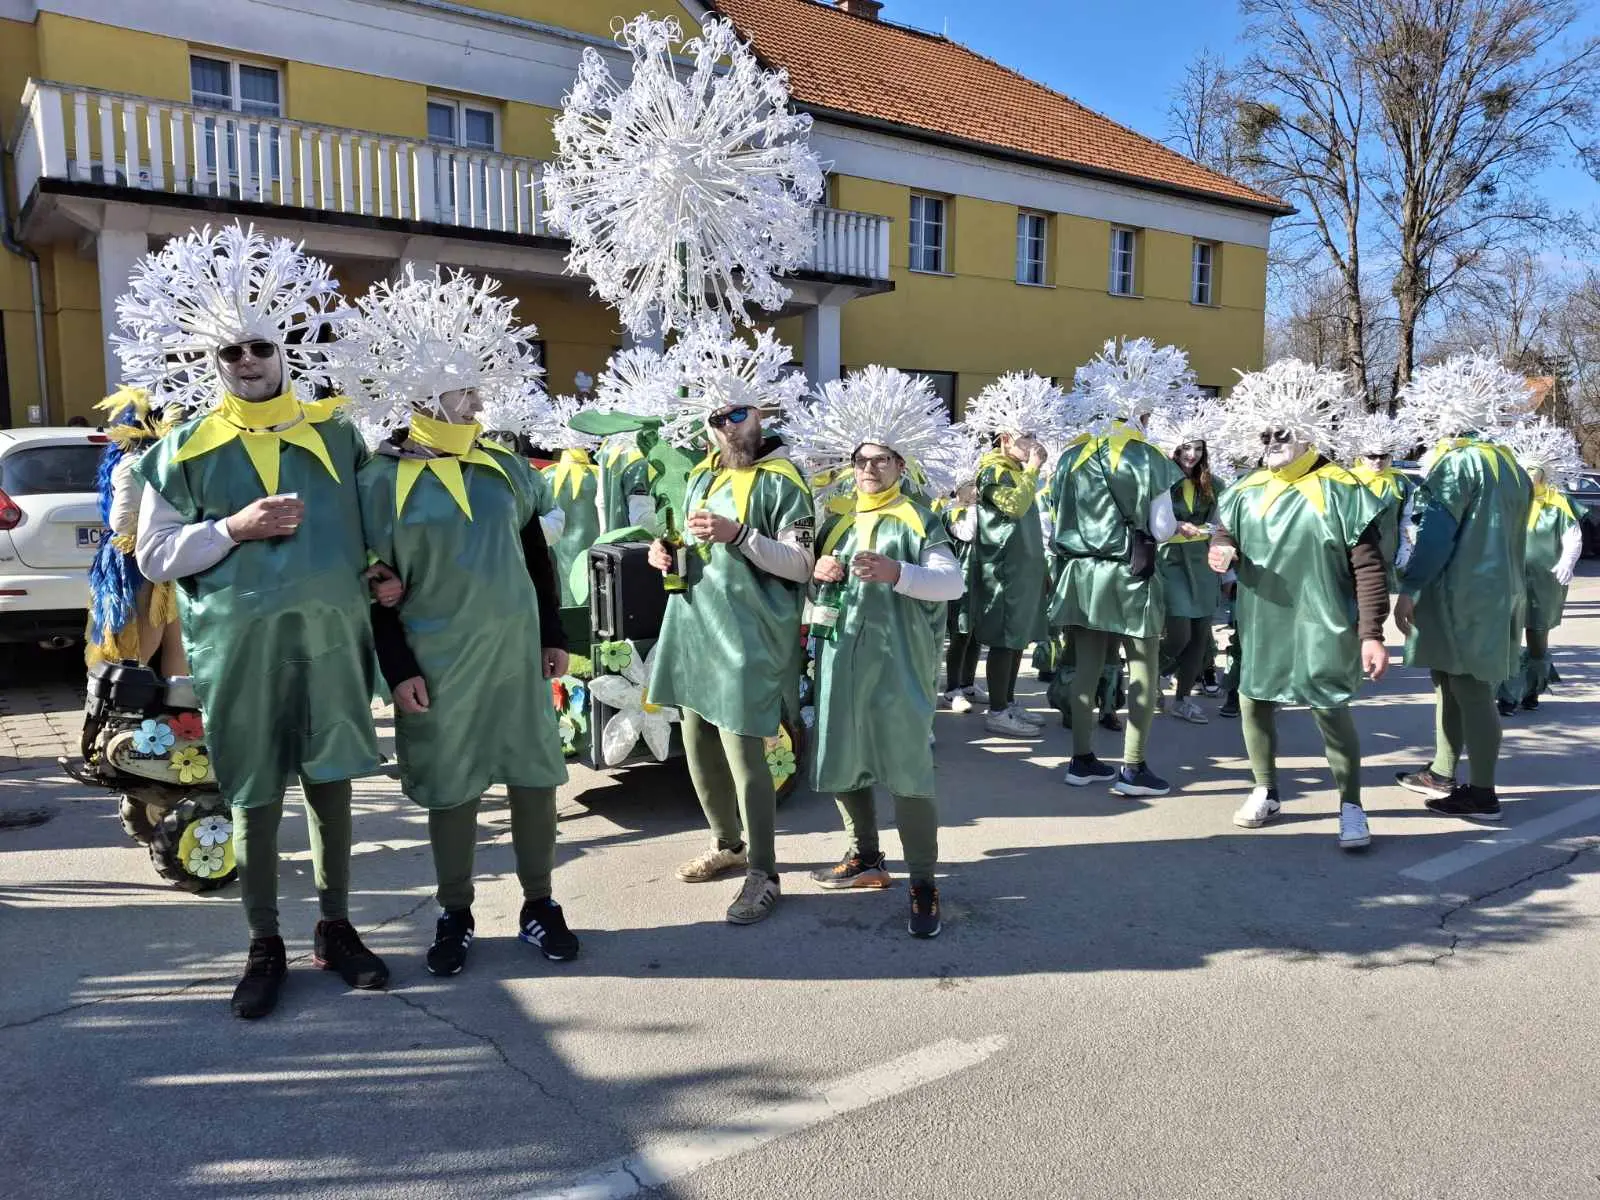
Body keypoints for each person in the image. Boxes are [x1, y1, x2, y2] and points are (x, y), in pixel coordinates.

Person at [122, 224, 394, 1019]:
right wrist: (232, 529)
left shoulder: (339, 435)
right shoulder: (182, 450)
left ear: (285, 353)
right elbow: (154, 557)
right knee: (253, 791)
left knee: (333, 781)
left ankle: (336, 926)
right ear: (214, 363)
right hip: (239, 650)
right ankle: (263, 938)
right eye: (230, 352)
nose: (246, 361)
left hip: (330, 642)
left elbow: (371, 523)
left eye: (259, 347)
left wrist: (378, 570)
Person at [334, 267, 580, 977]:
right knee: (452, 784)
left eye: (478, 390)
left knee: (534, 776)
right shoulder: (378, 482)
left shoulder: (504, 467)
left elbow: (535, 550)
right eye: (461, 392)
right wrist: (399, 667)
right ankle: (455, 910)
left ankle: (540, 904)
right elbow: (368, 575)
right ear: (421, 397)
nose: (476, 403)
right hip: (436, 662)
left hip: (514, 656)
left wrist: (554, 634)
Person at [785, 367, 966, 937]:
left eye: (881, 460)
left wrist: (898, 572)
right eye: (861, 461)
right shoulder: (838, 516)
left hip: (898, 666)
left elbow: (951, 581)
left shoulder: (917, 515)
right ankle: (865, 856)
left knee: (909, 773)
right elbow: (816, 581)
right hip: (842, 659)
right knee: (842, 758)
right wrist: (822, 570)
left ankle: (924, 881)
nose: (868, 470)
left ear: (901, 465)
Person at [645, 329, 814, 925]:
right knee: (697, 747)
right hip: (693, 626)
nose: (726, 427)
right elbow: (686, 539)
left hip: (750, 637)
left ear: (759, 413)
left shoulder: (783, 480)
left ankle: (764, 872)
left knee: (747, 758)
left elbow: (801, 565)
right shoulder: (701, 474)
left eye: (736, 414)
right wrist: (662, 553)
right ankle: (728, 845)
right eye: (716, 417)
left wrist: (739, 535)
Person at [1210, 360, 1389, 849]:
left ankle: (1351, 805)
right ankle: (1265, 789)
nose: (1271, 443)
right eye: (1265, 434)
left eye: (1282, 433)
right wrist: (1221, 548)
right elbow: (1225, 533)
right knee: (1254, 698)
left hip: (1323, 619)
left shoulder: (1342, 490)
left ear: (1308, 435)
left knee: (1329, 708)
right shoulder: (1246, 489)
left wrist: (1372, 633)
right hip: (1262, 620)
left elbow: (1369, 567)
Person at [1391, 351, 1534, 822]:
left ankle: (1483, 791)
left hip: (1463, 592)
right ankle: (1441, 770)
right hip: (1499, 590)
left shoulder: (1457, 464)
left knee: (1470, 688)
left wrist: (1410, 586)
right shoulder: (1511, 464)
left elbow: (1435, 534)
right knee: (1451, 683)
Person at [1050, 338, 1187, 797]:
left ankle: (1082, 759)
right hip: (1130, 572)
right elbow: (1162, 527)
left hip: (1081, 574)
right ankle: (1133, 767)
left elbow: (1055, 517)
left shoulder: (1069, 457)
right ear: (1140, 411)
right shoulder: (1148, 457)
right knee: (1142, 668)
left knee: (1086, 667)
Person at [953, 373, 1072, 738]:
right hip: (1002, 571)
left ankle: (1009, 701)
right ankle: (999, 710)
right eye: (1026, 438)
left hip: (1023, 568)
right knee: (1005, 639)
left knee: (1018, 637)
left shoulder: (1016, 470)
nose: (1034, 445)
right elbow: (1015, 507)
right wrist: (1035, 469)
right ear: (1005, 439)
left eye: (1035, 436)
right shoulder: (993, 470)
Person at [84, 385, 186, 677]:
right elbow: (122, 523)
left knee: (178, 644)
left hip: (169, 559)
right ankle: (124, 710)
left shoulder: (168, 461)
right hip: (137, 563)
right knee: (136, 649)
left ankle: (177, 717)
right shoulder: (134, 463)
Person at [1493, 418, 1584, 717]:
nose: (1530, 477)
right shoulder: (1508, 502)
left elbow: (1573, 536)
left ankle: (1532, 689)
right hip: (1509, 578)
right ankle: (1507, 694)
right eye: (1525, 471)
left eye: (1535, 472)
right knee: (1508, 635)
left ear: (1545, 475)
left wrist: (1567, 561)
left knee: (1537, 636)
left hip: (1545, 580)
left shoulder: (1559, 503)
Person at [1150, 401, 1225, 726]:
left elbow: (1222, 525)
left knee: (1199, 637)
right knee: (1178, 633)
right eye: (1186, 447)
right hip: (1171, 562)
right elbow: (1151, 521)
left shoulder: (1215, 484)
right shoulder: (1161, 479)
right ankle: (1151, 674)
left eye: (1197, 448)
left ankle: (1182, 699)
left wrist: (1212, 534)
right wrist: (1175, 527)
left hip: (1203, 564)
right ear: (1175, 448)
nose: (1191, 454)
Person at [1342, 410, 1417, 590]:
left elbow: (1408, 518)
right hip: (1354, 558)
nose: (1378, 461)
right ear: (1361, 456)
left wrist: (1406, 548)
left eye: (1383, 456)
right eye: (1371, 456)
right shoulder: (1348, 482)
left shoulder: (1401, 483)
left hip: (1389, 558)